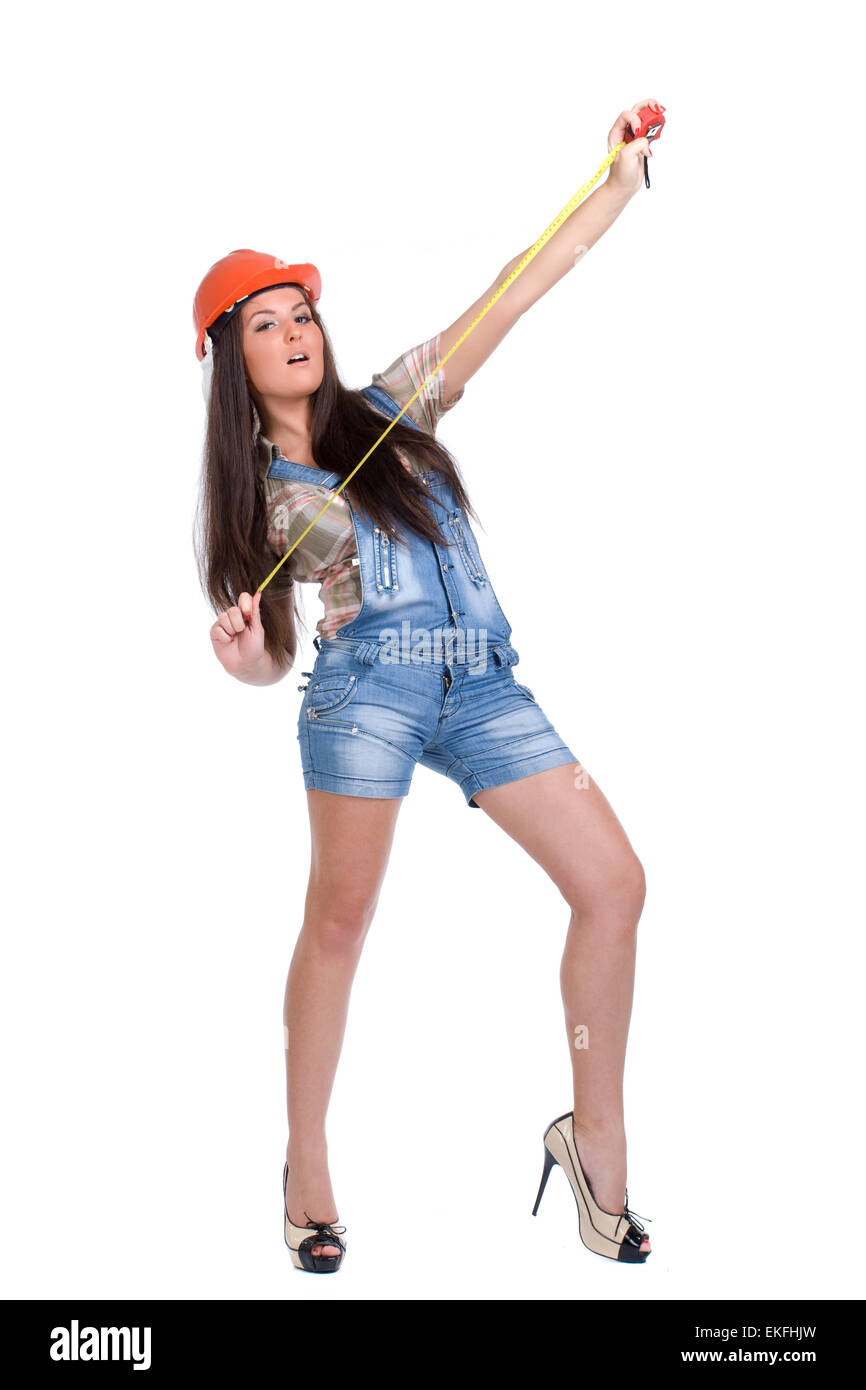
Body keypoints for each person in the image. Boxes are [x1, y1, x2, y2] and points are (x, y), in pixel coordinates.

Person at [193, 98, 663, 1273]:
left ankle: (591, 1140)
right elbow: (266, 660)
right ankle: (306, 1163)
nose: (296, 330)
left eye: (302, 312)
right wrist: (244, 653)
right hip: (363, 694)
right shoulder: (255, 496)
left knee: (612, 883)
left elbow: (514, 284)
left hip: (479, 680)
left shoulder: (396, 403)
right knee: (339, 924)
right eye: (267, 321)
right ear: (231, 355)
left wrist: (610, 180)